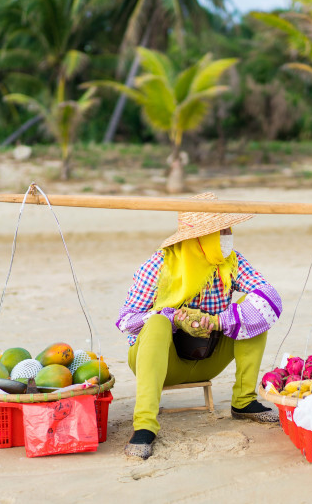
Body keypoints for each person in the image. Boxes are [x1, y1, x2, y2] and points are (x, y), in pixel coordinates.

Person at [116, 192, 283, 459]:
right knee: (157, 322)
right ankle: (145, 426)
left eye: (228, 230)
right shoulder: (158, 265)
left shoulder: (231, 261)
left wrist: (219, 321)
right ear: (201, 237)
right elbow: (126, 321)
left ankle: (243, 402)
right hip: (162, 364)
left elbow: (268, 295)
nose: (228, 236)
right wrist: (174, 318)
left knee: (255, 313)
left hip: (208, 358)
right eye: (222, 231)